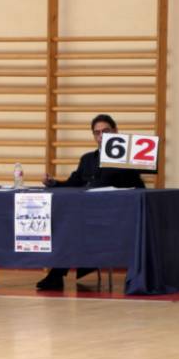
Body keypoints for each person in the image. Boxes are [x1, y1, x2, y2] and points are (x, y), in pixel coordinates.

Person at [36, 114, 145, 290]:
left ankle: (56, 274)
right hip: (87, 217)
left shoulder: (128, 159)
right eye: (97, 133)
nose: (101, 136)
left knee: (73, 226)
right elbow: (73, 183)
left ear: (116, 132)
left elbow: (138, 188)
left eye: (106, 131)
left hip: (115, 218)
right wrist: (53, 183)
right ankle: (56, 276)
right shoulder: (87, 159)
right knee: (65, 224)